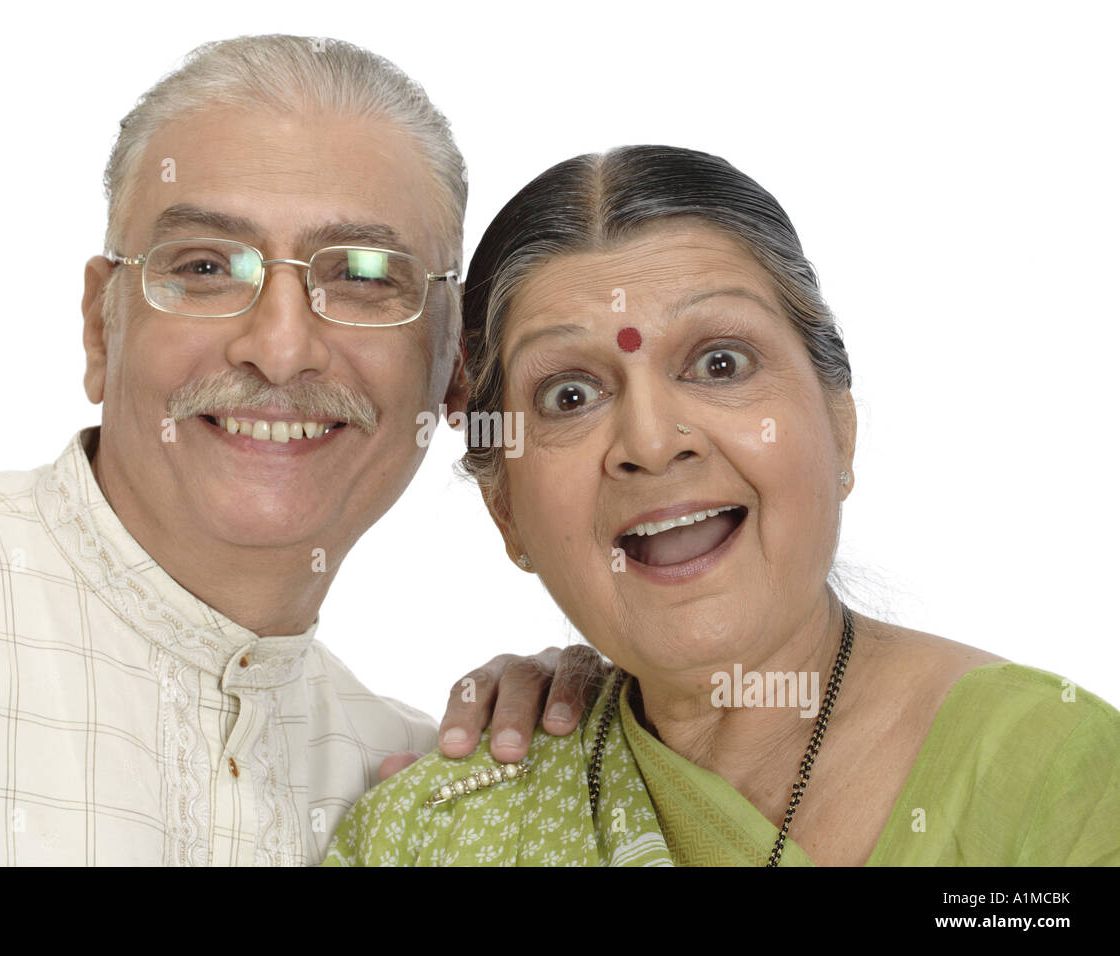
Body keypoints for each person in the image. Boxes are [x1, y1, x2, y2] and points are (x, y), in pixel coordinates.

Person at [0, 34, 594, 867]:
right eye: (205, 266)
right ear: (99, 325)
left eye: (366, 275)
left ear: (455, 372)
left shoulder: (426, 802)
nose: (281, 347)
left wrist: (622, 717)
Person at [325, 145, 1120, 866]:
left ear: (838, 428)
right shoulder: (432, 834)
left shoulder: (1057, 776)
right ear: (505, 512)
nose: (652, 440)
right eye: (570, 394)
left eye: (718, 362)